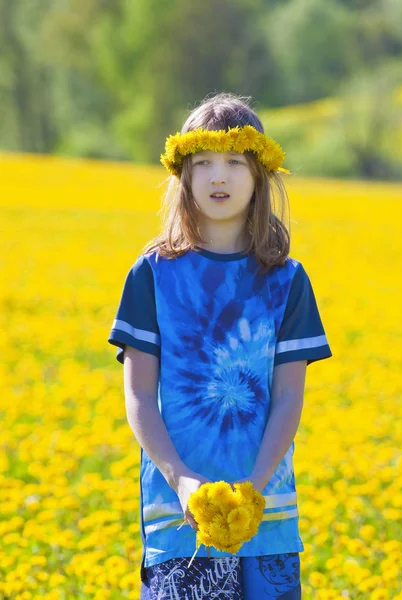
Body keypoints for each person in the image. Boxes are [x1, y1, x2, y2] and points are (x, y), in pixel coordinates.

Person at [108, 92, 333, 600]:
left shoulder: (288, 280)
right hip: (178, 519)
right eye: (203, 162)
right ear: (183, 175)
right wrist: (182, 479)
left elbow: (288, 399)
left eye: (235, 162)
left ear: (260, 175)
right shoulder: (151, 276)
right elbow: (139, 397)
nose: (218, 177)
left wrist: (255, 485)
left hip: (267, 514)